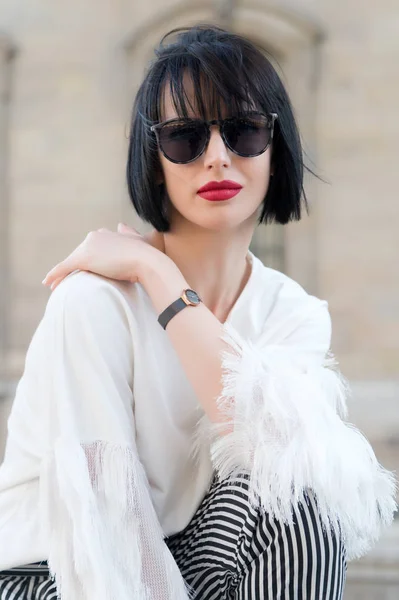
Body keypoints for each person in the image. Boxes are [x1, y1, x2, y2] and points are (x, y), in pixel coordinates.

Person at [0, 24, 396, 600]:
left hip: (181, 557)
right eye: (185, 137)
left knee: (298, 496)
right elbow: (103, 521)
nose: (216, 158)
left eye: (244, 132)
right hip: (53, 571)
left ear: (275, 146)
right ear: (153, 156)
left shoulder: (291, 311)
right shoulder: (92, 302)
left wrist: (159, 278)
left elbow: (288, 470)